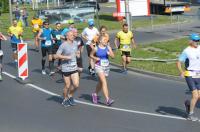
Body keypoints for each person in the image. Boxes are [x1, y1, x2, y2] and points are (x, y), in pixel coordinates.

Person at [176, 33, 200, 121]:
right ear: (190, 41)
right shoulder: (186, 51)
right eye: (195, 41)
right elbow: (178, 62)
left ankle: (188, 105)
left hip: (198, 75)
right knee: (195, 96)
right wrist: (181, 72)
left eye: (198, 40)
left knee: (199, 96)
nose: (197, 42)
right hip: (189, 74)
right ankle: (191, 114)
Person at [56, 31, 80, 107]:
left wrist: (78, 54)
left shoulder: (75, 43)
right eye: (71, 35)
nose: (73, 36)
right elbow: (57, 55)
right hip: (66, 68)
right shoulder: (63, 45)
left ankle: (70, 95)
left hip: (74, 67)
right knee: (67, 85)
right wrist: (66, 57)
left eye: (73, 35)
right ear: (67, 36)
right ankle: (65, 98)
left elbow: (76, 51)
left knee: (76, 85)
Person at [90, 36, 115, 106]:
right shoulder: (96, 48)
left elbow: (113, 57)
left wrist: (110, 54)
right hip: (98, 66)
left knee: (101, 83)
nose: (106, 41)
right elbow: (91, 55)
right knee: (104, 82)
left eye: (106, 40)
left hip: (106, 67)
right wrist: (95, 58)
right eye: (104, 40)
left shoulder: (108, 47)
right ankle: (108, 99)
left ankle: (94, 94)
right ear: (100, 41)